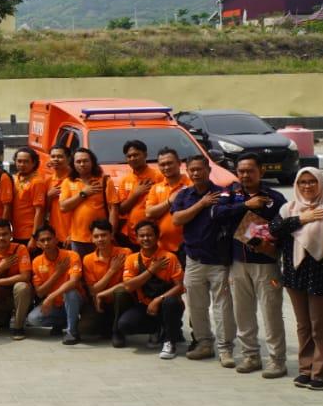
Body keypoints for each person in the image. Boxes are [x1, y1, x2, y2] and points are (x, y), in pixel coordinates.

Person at [269, 168, 323, 391]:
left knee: (321, 326)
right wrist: (301, 219)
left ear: (320, 184)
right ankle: (306, 368)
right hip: (295, 276)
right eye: (303, 182)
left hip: (322, 277)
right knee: (303, 326)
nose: (307, 186)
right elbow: (273, 229)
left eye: (312, 182)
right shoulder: (288, 209)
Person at [215, 153, 287, 379]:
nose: (245, 175)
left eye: (250, 171)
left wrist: (271, 244)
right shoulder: (230, 194)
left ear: (261, 172)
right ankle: (251, 356)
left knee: (271, 313)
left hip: (265, 264)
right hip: (238, 263)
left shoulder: (275, 198)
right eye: (241, 171)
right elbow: (217, 214)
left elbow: (284, 228)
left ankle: (277, 360)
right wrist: (246, 205)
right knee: (243, 312)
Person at [169, 154, 235, 366]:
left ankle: (225, 349)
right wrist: (202, 204)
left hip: (218, 260)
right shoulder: (184, 195)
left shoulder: (223, 193)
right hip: (194, 259)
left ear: (208, 170)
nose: (196, 173)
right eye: (192, 170)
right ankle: (204, 343)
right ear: (187, 172)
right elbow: (177, 219)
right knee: (196, 306)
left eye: (200, 169)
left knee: (222, 307)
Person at [116, 220, 186, 360]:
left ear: (157, 236)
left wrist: (158, 299)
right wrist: (151, 270)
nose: (146, 239)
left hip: (167, 304)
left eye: (149, 235)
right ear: (136, 237)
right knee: (125, 324)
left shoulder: (169, 257)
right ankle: (156, 329)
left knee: (170, 302)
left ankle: (169, 341)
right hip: (145, 306)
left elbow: (180, 286)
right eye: (142, 236)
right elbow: (129, 286)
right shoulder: (131, 259)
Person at [27, 224, 84, 345]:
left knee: (70, 292)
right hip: (55, 304)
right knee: (33, 319)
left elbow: (74, 282)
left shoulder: (71, 255)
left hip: (75, 301)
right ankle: (64, 322)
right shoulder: (36, 262)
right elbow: (40, 292)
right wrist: (57, 274)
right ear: (38, 244)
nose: (46, 243)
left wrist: (50, 296)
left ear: (56, 240)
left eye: (49, 239)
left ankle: (72, 332)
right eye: (42, 240)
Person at [0, 218, 34, 339]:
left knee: (22, 287)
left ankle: (18, 327)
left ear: (11, 235)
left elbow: (26, 276)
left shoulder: (20, 249)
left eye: (5, 234)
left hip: (16, 296)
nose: (1, 238)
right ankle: (2, 318)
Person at [59, 147, 119, 258]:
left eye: (85, 161)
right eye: (78, 161)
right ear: (73, 164)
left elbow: (113, 209)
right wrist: (84, 193)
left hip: (101, 236)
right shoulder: (68, 182)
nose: (82, 164)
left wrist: (112, 233)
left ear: (92, 162)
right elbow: (63, 207)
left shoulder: (105, 181)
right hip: (78, 238)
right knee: (80, 270)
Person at [81, 219, 127, 341]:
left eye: (104, 235)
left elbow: (127, 284)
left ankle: (118, 332)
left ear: (111, 235)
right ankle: (107, 327)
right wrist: (112, 270)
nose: (100, 239)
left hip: (120, 301)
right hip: (99, 302)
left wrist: (101, 293)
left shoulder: (125, 253)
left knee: (121, 293)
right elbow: (93, 290)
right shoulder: (88, 259)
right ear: (91, 238)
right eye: (96, 236)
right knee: (84, 329)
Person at [143, 148, 192, 257]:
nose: (166, 167)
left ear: (179, 163)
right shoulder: (155, 188)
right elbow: (149, 213)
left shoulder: (191, 185)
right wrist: (170, 201)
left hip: (189, 246)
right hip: (162, 247)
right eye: (162, 164)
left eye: (170, 163)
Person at [116, 140, 161, 249]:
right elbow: (121, 209)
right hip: (132, 234)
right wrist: (135, 194)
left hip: (155, 234)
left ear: (145, 154)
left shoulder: (159, 176)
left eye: (136, 155)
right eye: (129, 156)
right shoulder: (125, 180)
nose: (132, 158)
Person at [10, 147, 47, 246]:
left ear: (34, 163)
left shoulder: (37, 182)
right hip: (15, 232)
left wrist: (34, 237)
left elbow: (39, 211)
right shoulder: (15, 178)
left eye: (26, 162)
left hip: (29, 234)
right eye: (19, 161)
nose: (22, 164)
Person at [42, 146, 72, 243]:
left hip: (73, 234)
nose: (55, 159)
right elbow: (44, 210)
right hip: (55, 234)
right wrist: (49, 197)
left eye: (60, 156)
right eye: (53, 156)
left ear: (68, 159)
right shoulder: (48, 181)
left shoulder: (74, 179)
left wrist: (73, 233)